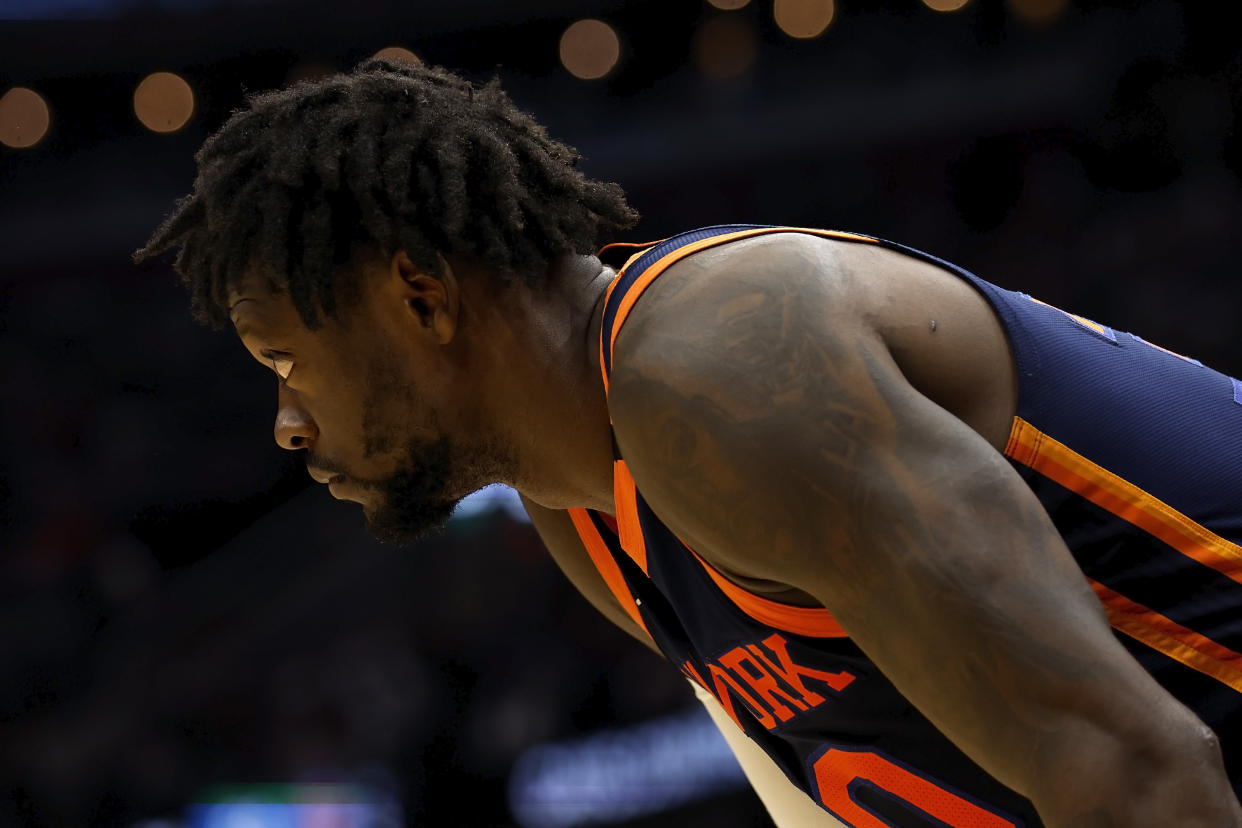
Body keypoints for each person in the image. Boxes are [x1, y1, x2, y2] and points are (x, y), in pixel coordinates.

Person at [135, 59, 1242, 827]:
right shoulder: (583, 508)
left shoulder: (715, 367)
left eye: (285, 362)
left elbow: (1142, 781)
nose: (285, 423)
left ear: (420, 297)